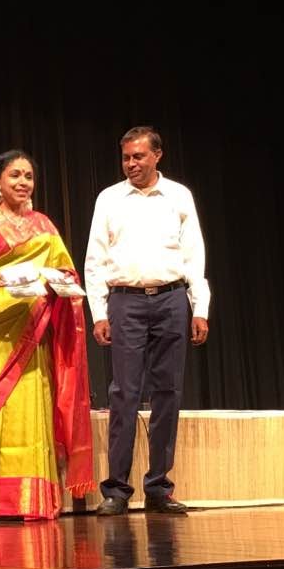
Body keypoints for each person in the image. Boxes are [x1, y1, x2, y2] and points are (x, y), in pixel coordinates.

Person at [0, 149, 94, 520]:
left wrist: (62, 281)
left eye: (28, 176)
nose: (22, 182)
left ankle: (35, 500)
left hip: (34, 329)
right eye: (14, 175)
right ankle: (0, 502)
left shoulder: (44, 226)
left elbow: (66, 273)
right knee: (0, 412)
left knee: (34, 411)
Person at [84, 126, 210, 516]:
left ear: (157, 155)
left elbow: (194, 254)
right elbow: (95, 259)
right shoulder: (109, 198)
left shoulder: (178, 196)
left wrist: (200, 307)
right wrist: (99, 312)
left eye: (138, 156)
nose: (131, 164)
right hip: (126, 302)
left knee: (168, 391)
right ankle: (117, 490)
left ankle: (158, 487)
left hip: (171, 299)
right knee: (124, 392)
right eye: (126, 157)